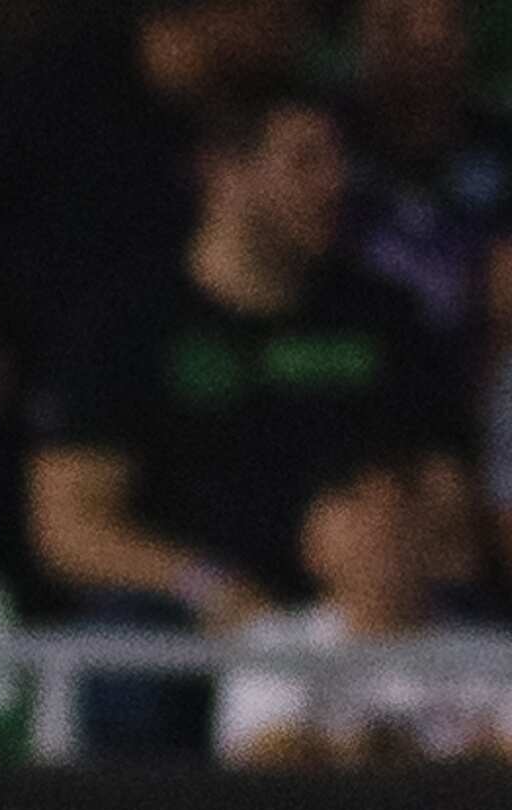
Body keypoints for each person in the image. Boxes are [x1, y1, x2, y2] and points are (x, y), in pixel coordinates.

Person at [30, 90, 468, 761]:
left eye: (340, 161)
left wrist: (387, 575)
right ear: (225, 174)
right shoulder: (126, 324)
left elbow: (444, 492)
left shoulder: (383, 316)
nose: (334, 184)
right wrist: (204, 583)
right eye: (305, 161)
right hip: (198, 612)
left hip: (363, 610)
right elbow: (67, 524)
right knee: (126, 644)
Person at [0, 0, 299, 550]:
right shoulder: (62, 75)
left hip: (145, 385)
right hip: (8, 371)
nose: (296, 25)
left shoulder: (260, 110)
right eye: (279, 11)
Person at [216, 448, 512, 766]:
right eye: (362, 524)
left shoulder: (491, 652)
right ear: (314, 545)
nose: (381, 534)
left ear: (434, 543)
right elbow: (259, 756)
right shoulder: (273, 643)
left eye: (397, 520)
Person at [340, 0, 512, 352]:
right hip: (345, 360)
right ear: (363, 36)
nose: (425, 36)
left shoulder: (500, 145)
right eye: (397, 23)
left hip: (478, 368)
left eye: (444, 22)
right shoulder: (324, 139)